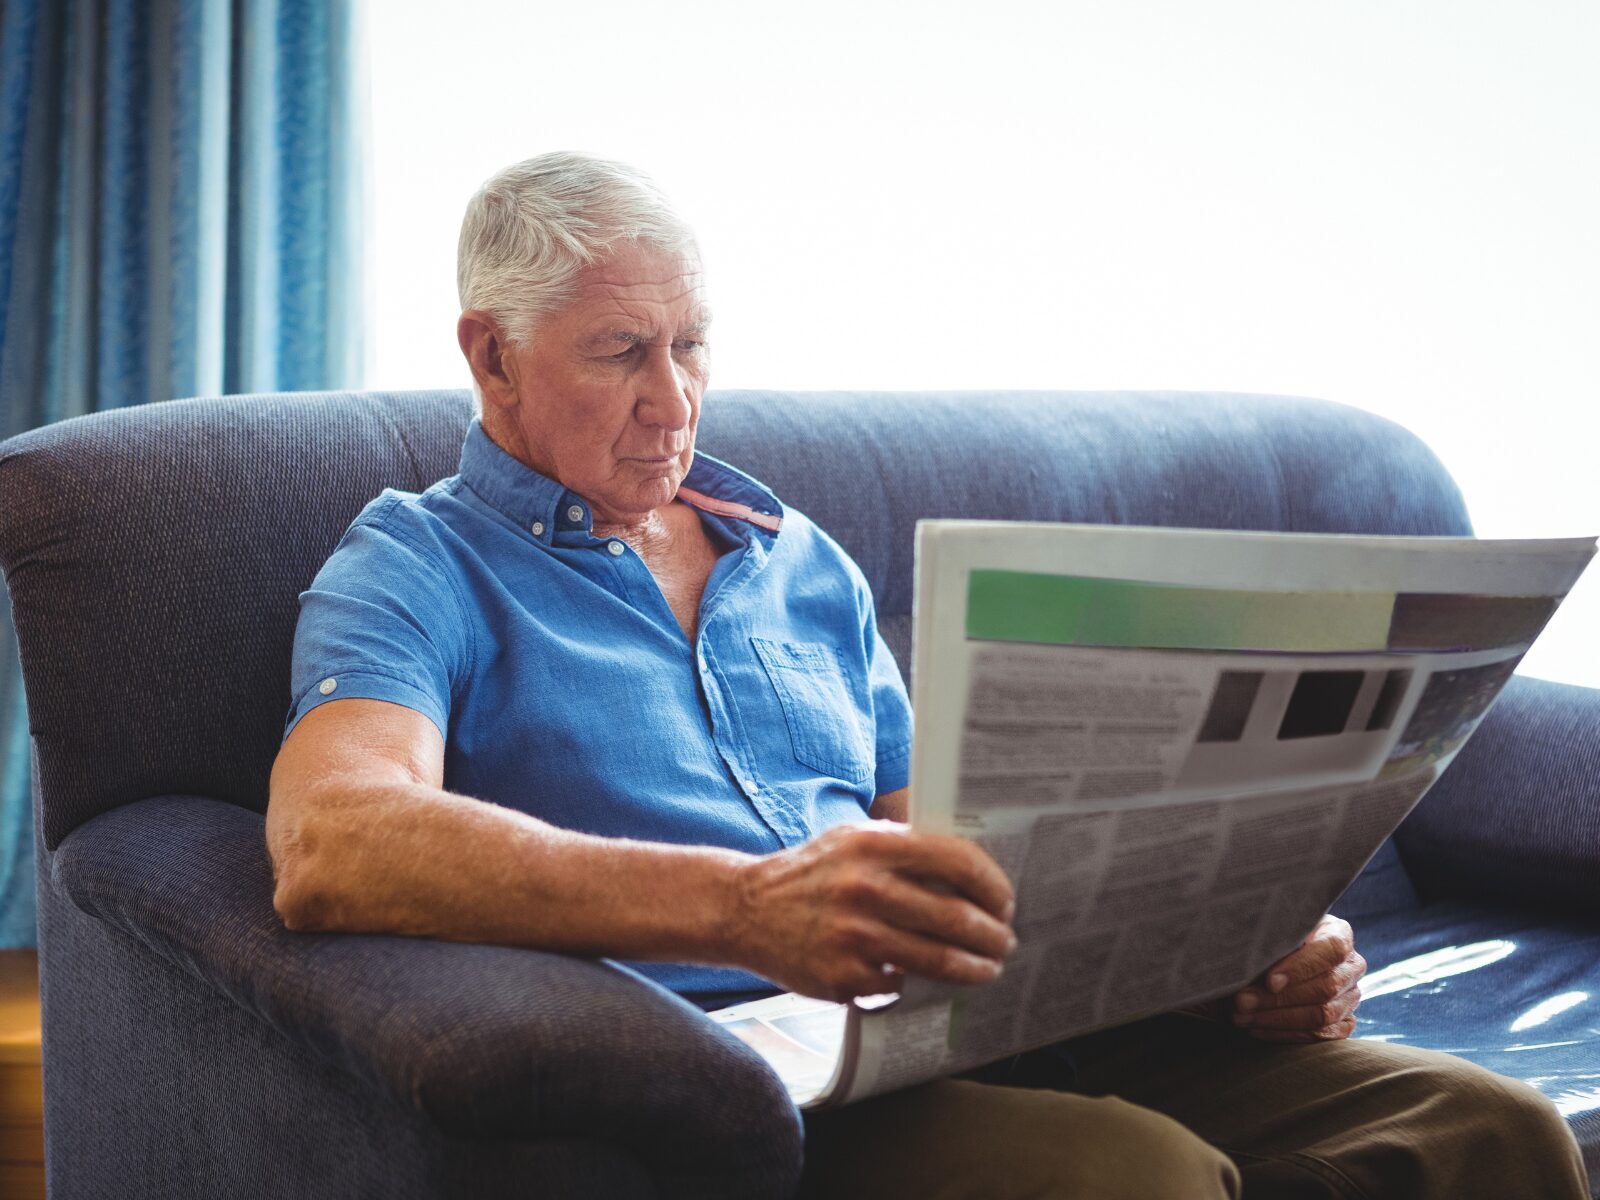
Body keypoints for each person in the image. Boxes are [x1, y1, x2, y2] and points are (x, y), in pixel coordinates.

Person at [266, 151, 1588, 1199]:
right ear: (492, 355)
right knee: (1131, 1178)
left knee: (1484, 1124)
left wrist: (1220, 945)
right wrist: (745, 909)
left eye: (693, 344)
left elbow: (954, 851)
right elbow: (333, 839)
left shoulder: (797, 561)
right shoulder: (418, 564)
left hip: (949, 1025)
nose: (674, 398)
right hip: (744, 1079)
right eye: (621, 351)